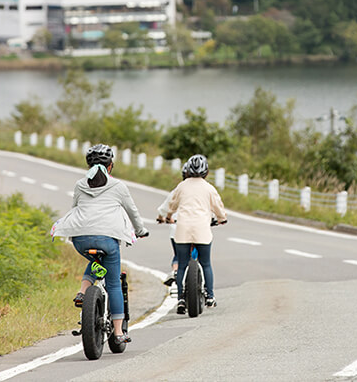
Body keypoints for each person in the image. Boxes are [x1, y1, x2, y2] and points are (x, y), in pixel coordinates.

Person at [50, 143, 148, 344]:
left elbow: (75, 208)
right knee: (113, 283)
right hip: (107, 239)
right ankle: (119, 333)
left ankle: (84, 290)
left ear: (88, 166)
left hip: (80, 238)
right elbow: (133, 212)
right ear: (110, 165)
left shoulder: (80, 185)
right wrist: (140, 230)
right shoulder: (118, 186)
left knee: (98, 262)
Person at [159, 154, 226, 314]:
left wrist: (168, 217)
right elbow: (218, 206)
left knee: (182, 264)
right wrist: (222, 218)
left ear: (188, 170)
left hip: (183, 230)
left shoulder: (181, 186)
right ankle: (210, 296)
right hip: (202, 230)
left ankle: (181, 298)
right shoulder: (209, 188)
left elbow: (172, 204)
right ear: (206, 172)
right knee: (206, 263)